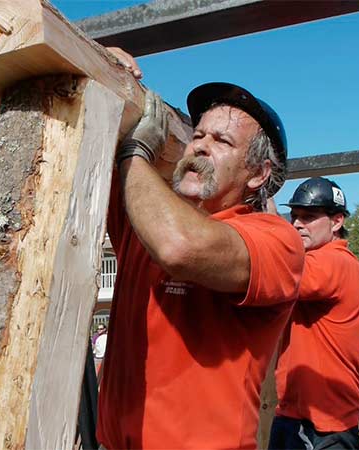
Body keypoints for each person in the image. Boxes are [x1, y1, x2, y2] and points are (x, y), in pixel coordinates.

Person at [96, 49, 304, 450]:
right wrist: (109, 71)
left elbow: (179, 247)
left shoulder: (276, 241)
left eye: (222, 140)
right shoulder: (146, 218)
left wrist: (137, 154)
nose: (200, 147)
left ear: (259, 174)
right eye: (197, 135)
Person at [269, 177, 359, 449]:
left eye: (309, 217)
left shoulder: (336, 261)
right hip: (293, 413)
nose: (297, 223)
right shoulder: (310, 260)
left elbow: (275, 269)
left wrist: (265, 218)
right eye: (295, 216)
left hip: (326, 423)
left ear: (337, 222)